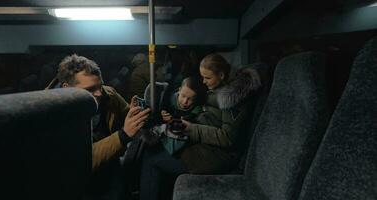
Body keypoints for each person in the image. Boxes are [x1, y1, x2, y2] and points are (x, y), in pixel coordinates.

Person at [140, 53, 259, 200]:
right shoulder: (216, 88)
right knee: (152, 147)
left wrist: (192, 128)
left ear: (221, 75)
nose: (203, 81)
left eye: (207, 78)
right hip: (204, 142)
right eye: (202, 77)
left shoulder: (233, 99)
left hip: (218, 155)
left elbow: (228, 138)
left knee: (152, 159)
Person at [47, 54, 150, 199]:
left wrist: (132, 114)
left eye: (100, 86)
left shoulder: (108, 94)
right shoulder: (51, 116)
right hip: (76, 181)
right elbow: (79, 161)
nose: (99, 93)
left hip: (110, 168)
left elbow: (125, 112)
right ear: (66, 88)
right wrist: (123, 135)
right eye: (89, 90)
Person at [160, 76, 205, 155]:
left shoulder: (197, 109)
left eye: (190, 99)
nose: (185, 102)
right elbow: (161, 111)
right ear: (179, 90)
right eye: (183, 96)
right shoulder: (168, 99)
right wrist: (162, 115)